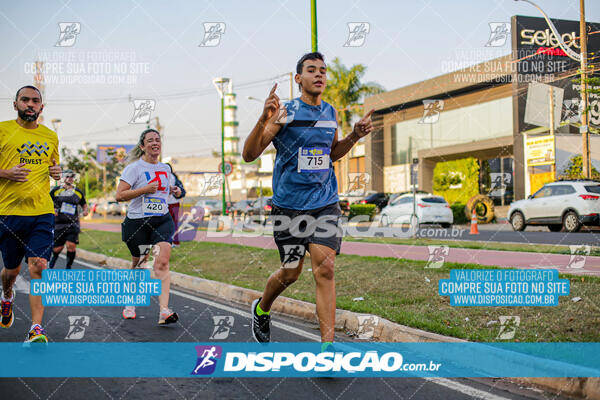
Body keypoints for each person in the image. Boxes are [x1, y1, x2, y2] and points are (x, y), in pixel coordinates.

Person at [242, 52, 374, 344]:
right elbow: (249, 155)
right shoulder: (286, 111)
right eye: (312, 70)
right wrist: (263, 118)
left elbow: (331, 154)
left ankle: (327, 349)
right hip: (288, 206)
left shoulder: (330, 113)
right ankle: (262, 308)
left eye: (323, 71)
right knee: (291, 273)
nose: (319, 75)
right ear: (298, 79)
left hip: (324, 203)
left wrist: (354, 137)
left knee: (325, 269)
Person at [0, 85, 62, 343]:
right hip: (8, 212)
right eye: (24, 100)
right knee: (11, 272)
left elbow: (53, 166)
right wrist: (7, 173)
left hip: (41, 211)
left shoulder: (50, 136)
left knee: (38, 266)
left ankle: (36, 328)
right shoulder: (3, 130)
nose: (30, 104)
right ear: (15, 104)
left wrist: (55, 172)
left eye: (35, 101)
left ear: (41, 107)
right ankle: (6, 295)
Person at [116, 128, 180, 325]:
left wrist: (173, 190)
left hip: (162, 219)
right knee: (140, 264)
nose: (155, 143)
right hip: (137, 223)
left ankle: (164, 311)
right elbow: (119, 195)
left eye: (157, 140)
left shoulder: (166, 168)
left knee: (161, 262)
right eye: (150, 140)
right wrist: (144, 189)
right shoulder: (134, 168)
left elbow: (162, 191)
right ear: (142, 146)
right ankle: (130, 303)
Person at [49, 170, 89, 269]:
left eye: (72, 176)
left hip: (73, 224)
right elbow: (47, 202)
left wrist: (85, 210)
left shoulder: (78, 192)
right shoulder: (55, 191)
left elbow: (84, 204)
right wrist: (52, 209)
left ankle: (68, 267)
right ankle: (52, 262)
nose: (70, 178)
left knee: (71, 246)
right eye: (67, 176)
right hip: (58, 224)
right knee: (57, 249)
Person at [166, 163, 186, 247]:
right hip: (176, 203)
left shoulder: (166, 177)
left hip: (168, 203)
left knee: (167, 224)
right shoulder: (174, 176)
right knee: (175, 223)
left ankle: (169, 242)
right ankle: (176, 242)